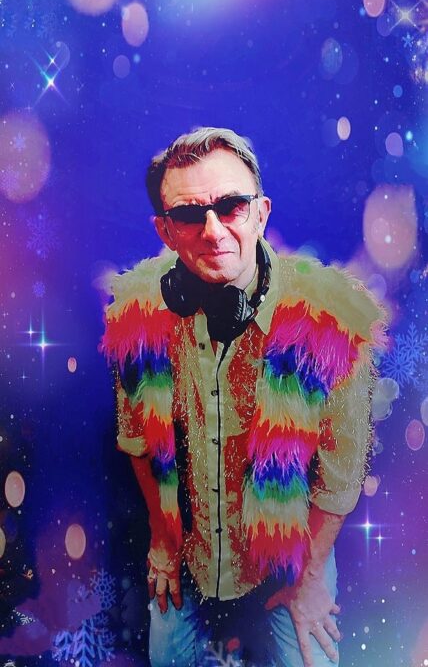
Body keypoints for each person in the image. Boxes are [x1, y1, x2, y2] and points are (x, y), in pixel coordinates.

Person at [101, 127, 387, 667]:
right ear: (166, 231)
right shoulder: (135, 316)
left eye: (231, 206)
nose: (213, 232)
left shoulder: (333, 325)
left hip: (293, 556)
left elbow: (341, 479)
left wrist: (309, 579)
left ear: (260, 214)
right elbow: (136, 441)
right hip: (187, 547)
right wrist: (162, 539)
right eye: (190, 214)